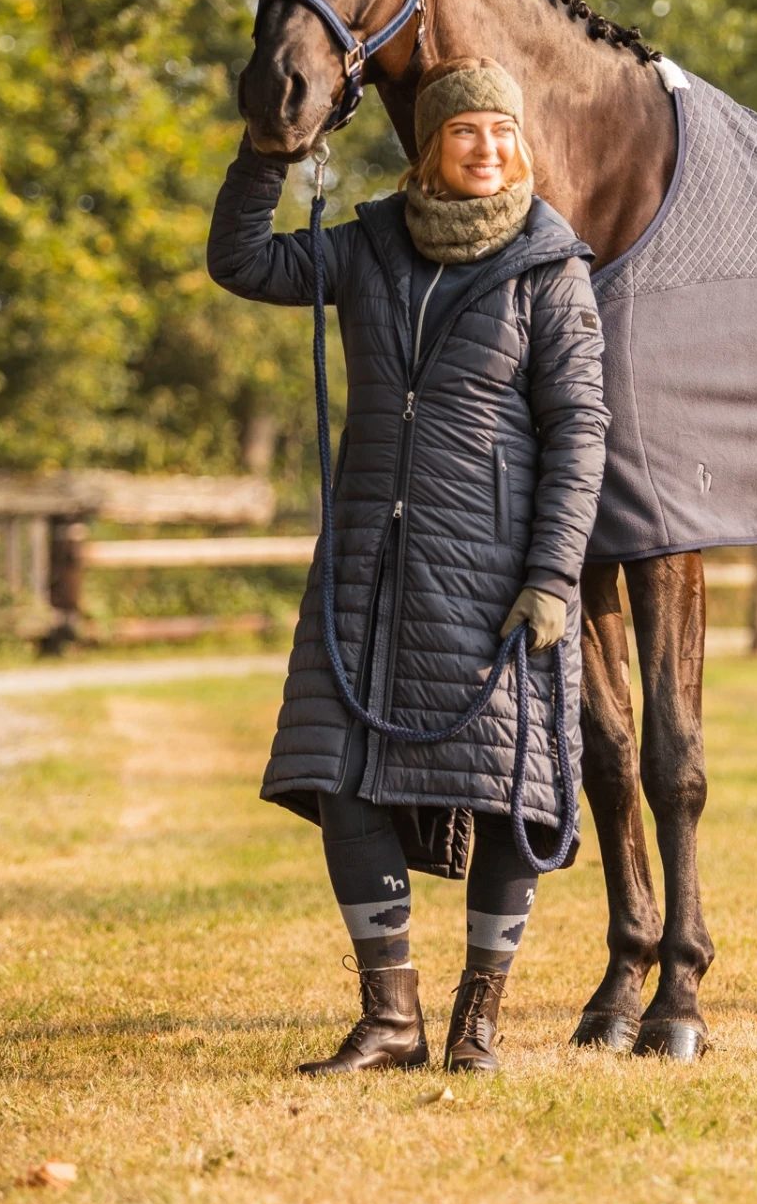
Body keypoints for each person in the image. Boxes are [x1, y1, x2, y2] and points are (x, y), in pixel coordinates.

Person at [207, 57, 608, 1075]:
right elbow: (243, 263)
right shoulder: (373, 246)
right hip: (367, 569)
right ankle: (391, 1015)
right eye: (466, 131)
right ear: (430, 143)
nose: (487, 148)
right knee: (338, 773)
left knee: (512, 791)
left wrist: (554, 577)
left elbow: (579, 431)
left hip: (496, 576)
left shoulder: (549, 267)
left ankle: (480, 1017)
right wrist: (270, 151)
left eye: (502, 133)